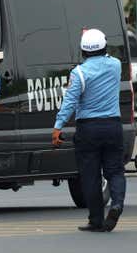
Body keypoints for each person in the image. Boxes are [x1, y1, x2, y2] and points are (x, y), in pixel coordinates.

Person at [52, 28, 126, 232]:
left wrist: (58, 127)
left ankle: (96, 220)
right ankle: (117, 204)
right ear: (104, 47)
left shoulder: (79, 73)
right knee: (115, 171)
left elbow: (69, 102)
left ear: (83, 51)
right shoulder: (116, 66)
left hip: (89, 129)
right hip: (113, 126)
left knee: (91, 175)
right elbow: (107, 55)